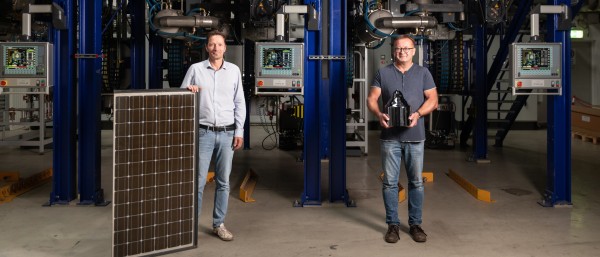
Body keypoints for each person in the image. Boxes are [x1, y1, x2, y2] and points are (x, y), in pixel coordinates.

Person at [367, 35, 438, 243]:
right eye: (398, 48)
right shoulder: (383, 73)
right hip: (390, 138)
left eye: (406, 48)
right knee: (390, 183)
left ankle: (415, 224)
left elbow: (433, 100)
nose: (402, 52)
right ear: (393, 51)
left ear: (413, 51)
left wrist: (418, 114)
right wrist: (379, 114)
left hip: (415, 138)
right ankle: (393, 225)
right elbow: (372, 98)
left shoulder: (423, 73)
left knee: (416, 182)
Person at [181, 30, 246, 241]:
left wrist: (239, 131)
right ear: (207, 47)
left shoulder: (234, 71)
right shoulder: (195, 69)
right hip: (204, 133)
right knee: (198, 181)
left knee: (224, 182)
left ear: (225, 48)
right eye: (212, 44)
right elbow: (180, 98)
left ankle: (219, 224)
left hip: (228, 134)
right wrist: (188, 91)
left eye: (219, 44)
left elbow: (240, 103)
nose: (216, 48)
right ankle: (191, 227)